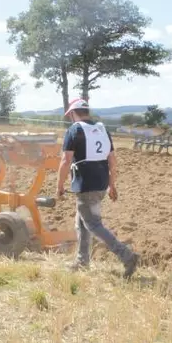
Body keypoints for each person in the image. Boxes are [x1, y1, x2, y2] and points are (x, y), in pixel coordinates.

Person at [56, 97, 139, 279]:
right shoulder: (102, 129)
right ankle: (82, 260)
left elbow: (65, 160)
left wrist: (59, 185)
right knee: (82, 221)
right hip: (101, 183)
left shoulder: (74, 130)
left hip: (86, 184)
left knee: (93, 224)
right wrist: (112, 185)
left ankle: (127, 255)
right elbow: (113, 161)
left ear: (72, 114)